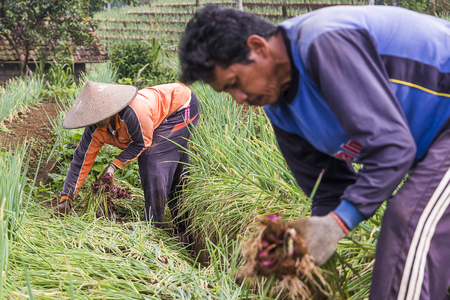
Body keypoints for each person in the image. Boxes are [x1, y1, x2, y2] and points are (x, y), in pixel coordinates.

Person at [178, 4, 450, 300]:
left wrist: (338, 224)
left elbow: (394, 148)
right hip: (434, 146)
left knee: (409, 220)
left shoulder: (322, 44)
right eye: (228, 92)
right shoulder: (280, 110)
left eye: (235, 83)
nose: (239, 99)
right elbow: (329, 189)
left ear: (257, 46)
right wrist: (307, 248)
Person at [53, 82, 200, 241]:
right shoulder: (95, 128)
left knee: (153, 158)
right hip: (160, 116)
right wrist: (66, 199)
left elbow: (141, 143)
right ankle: (183, 228)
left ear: (109, 109)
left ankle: (152, 227)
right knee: (174, 169)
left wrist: (113, 166)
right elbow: (81, 160)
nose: (94, 120)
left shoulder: (133, 112)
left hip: (182, 108)